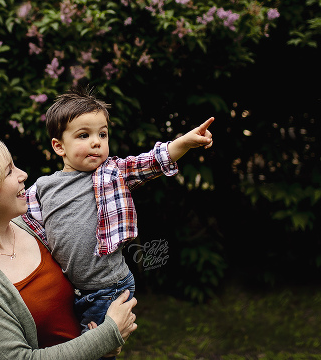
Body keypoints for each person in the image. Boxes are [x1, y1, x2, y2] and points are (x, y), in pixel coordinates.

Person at [0, 136, 138, 359]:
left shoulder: (36, 226)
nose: (23, 175)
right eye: (9, 171)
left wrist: (102, 336)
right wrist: (106, 336)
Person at [22, 86, 214, 337]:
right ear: (59, 147)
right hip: (72, 288)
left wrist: (184, 142)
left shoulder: (111, 173)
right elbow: (24, 223)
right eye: (83, 135)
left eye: (102, 134)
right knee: (69, 342)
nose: (96, 142)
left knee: (96, 348)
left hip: (107, 287)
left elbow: (151, 162)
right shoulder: (43, 188)